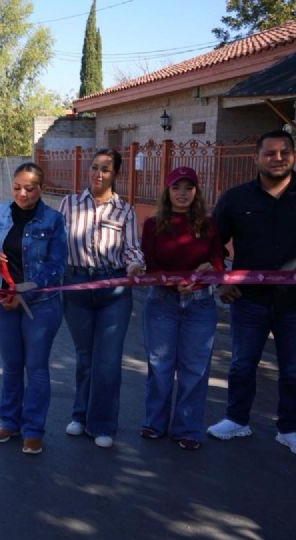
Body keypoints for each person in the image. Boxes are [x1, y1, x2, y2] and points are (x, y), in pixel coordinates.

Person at [207, 130, 296, 455]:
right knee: (242, 364)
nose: (277, 158)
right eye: (269, 153)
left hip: (293, 305)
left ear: (293, 156)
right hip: (249, 301)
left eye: (284, 152)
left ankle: (289, 428)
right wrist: (223, 279)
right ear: (256, 158)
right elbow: (213, 243)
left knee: (293, 369)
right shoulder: (236, 199)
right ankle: (236, 420)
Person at [59, 148, 144, 449]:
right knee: (85, 357)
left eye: (105, 169)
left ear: (115, 175)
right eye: (95, 167)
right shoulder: (69, 204)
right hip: (77, 285)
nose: (98, 173)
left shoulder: (125, 211)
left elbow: (132, 249)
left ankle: (102, 423)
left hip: (114, 289)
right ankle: (80, 415)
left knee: (107, 360)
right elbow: (58, 244)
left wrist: (135, 264)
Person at [0, 163, 67, 455]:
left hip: (40, 304)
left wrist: (25, 292)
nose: (22, 193)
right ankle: (10, 422)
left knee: (37, 367)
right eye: (17, 187)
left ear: (41, 189)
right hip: (1, 300)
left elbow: (56, 267)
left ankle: (33, 429)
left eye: (30, 188)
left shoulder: (53, 220)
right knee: (12, 366)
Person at [140, 166, 223, 451]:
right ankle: (155, 423)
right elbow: (151, 265)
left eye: (189, 188)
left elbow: (218, 262)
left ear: (196, 192)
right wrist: (172, 284)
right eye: (177, 187)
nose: (183, 193)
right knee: (159, 365)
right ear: (168, 191)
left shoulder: (208, 225)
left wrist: (206, 271)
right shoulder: (153, 224)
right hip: (162, 302)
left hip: (200, 304)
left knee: (195, 369)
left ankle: (187, 428)